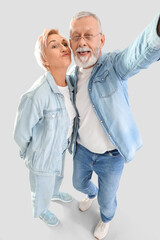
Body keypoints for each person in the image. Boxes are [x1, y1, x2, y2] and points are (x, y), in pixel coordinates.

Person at [68, 11, 160, 239]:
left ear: (102, 39)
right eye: (76, 36)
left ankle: (106, 218)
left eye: (89, 35)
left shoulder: (115, 66)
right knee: (78, 183)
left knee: (106, 202)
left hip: (111, 158)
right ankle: (91, 194)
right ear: (70, 42)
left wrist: (156, 31)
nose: (82, 42)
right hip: (81, 150)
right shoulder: (71, 75)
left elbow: (138, 54)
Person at [13, 29, 76, 226]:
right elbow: (20, 133)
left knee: (58, 174)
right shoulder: (37, 94)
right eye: (54, 46)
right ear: (44, 59)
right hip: (42, 153)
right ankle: (41, 209)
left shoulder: (72, 83)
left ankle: (55, 192)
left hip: (61, 145)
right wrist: (32, 154)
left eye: (64, 43)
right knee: (41, 186)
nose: (63, 48)